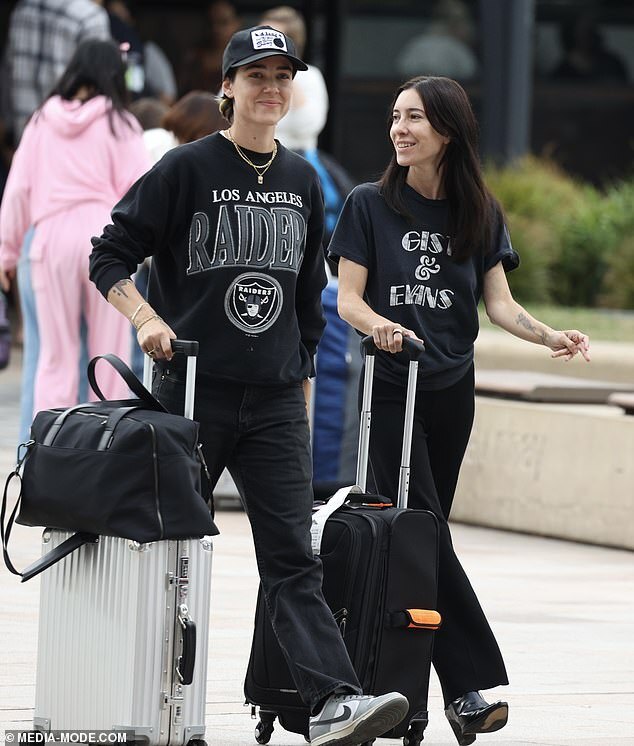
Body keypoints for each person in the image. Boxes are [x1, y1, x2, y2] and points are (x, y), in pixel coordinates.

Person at [89, 24, 409, 746]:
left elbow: (306, 308)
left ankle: (332, 703)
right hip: (190, 391)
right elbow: (108, 255)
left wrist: (300, 396)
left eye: (281, 76)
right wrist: (143, 317)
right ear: (227, 86)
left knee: (293, 556)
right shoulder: (184, 170)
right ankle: (135, 700)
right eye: (255, 75)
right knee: (164, 550)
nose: (270, 87)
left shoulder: (304, 180)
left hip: (271, 403)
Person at [328, 75, 591, 746]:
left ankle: (421, 691)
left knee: (423, 534)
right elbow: (347, 300)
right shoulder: (368, 204)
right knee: (423, 529)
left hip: (452, 388)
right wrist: (381, 327)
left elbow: (498, 305)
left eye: (414, 117)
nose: (400, 128)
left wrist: (549, 335)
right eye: (395, 117)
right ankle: (467, 688)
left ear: (448, 129)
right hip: (393, 385)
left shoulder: (479, 210)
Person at [0, 39, 151, 414]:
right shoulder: (120, 122)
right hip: (103, 239)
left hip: (49, 238)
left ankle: (52, 451)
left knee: (55, 357)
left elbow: (18, 189)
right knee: (108, 350)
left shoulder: (41, 121)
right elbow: (140, 188)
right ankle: (104, 447)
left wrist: (6, 250)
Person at [6, 0, 111, 142]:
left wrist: (7, 132)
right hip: (71, 144)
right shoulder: (90, 17)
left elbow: (7, 73)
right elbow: (101, 87)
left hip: (24, 139)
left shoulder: (22, 9)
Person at [177, 0, 241, 96]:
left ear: (237, 23)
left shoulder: (243, 57)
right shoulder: (194, 56)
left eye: (223, 23)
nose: (216, 29)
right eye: (211, 23)